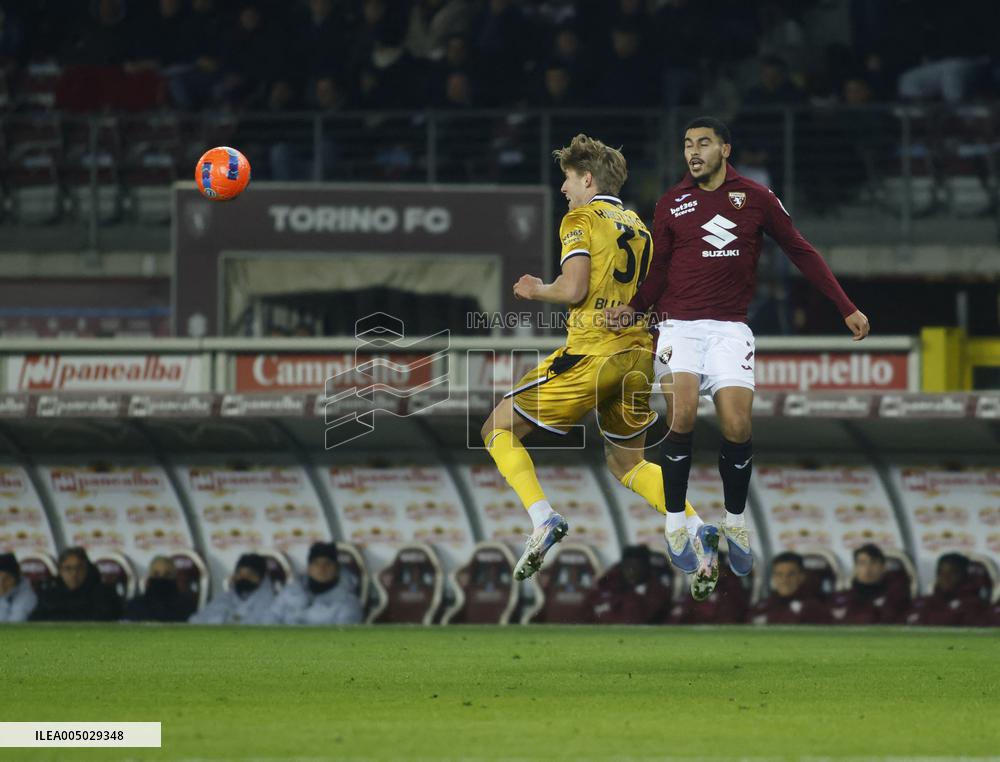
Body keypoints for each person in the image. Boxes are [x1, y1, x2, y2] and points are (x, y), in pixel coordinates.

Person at [606, 117, 869, 581]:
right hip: (678, 326)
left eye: (703, 143)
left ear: (725, 149)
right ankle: (674, 525)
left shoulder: (756, 199)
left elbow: (800, 250)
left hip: (730, 329)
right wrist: (634, 308)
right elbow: (660, 269)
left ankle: (735, 521)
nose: (693, 151)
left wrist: (844, 306)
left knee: (737, 423)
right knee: (681, 414)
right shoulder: (671, 203)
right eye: (687, 144)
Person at [481, 133, 716, 595]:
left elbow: (573, 289)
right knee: (627, 463)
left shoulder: (580, 218)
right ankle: (696, 529)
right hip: (637, 357)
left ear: (587, 179)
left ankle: (542, 518)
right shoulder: (641, 226)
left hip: (593, 353)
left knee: (496, 427)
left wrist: (536, 289)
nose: (565, 190)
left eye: (568, 180)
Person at [271, 542, 363, 626]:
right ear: (309, 568)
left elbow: (342, 639)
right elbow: (270, 618)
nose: (322, 568)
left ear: (336, 569)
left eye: (328, 564)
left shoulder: (348, 603)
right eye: (316, 563)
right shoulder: (291, 591)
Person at [29, 547, 121, 622]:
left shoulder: (104, 594)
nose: (74, 573)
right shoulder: (49, 595)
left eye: (79, 568)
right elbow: (34, 622)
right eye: (68, 568)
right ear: (60, 571)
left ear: (87, 569)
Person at [588, 545, 672, 625]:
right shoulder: (607, 586)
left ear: (646, 568)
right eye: (628, 566)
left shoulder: (658, 592)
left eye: (636, 567)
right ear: (622, 566)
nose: (632, 571)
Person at [828, 544, 910, 625]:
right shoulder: (841, 598)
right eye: (862, 563)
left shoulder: (896, 598)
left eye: (873, 562)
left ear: (883, 568)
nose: (868, 568)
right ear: (855, 568)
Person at [189, 553, 277, 625]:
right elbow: (197, 621)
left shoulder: (271, 603)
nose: (244, 578)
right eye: (240, 574)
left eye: (250, 574)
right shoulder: (224, 597)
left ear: (262, 578)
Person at [906, 553, 989, 627]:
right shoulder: (924, 601)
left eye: (952, 573)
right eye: (941, 573)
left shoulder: (973, 604)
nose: (945, 578)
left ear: (965, 575)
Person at [748, 552, 831, 625]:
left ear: (801, 577)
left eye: (791, 574)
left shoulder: (814, 608)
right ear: (774, 577)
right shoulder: (762, 607)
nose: (785, 580)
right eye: (779, 574)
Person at [123, 556, 195, 623]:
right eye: (156, 574)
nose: (161, 579)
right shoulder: (186, 606)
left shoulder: (135, 605)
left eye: (167, 575)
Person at [0, 552, 37, 623]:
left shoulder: (27, 597)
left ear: (17, 579)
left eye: (7, 578)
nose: (1, 584)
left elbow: (13, 627)